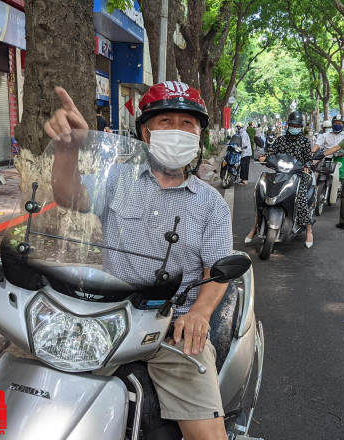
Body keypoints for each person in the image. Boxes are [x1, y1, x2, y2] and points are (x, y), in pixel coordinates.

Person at [45, 82, 234, 440]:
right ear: (145, 132)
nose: (177, 130)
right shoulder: (118, 178)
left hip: (174, 326)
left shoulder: (211, 204)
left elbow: (217, 269)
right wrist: (67, 151)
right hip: (109, 318)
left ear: (199, 135)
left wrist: (199, 314)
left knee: (208, 436)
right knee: (53, 401)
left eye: (188, 123)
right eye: (165, 120)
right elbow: (70, 197)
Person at [244, 110, 314, 248]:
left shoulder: (305, 142)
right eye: (293, 125)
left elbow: (309, 159)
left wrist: (307, 165)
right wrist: (264, 156)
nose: (295, 128)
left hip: (297, 175)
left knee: (301, 197)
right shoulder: (281, 140)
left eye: (298, 126)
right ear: (288, 125)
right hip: (280, 174)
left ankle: (309, 230)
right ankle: (255, 226)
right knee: (262, 193)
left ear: (301, 127)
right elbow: (271, 152)